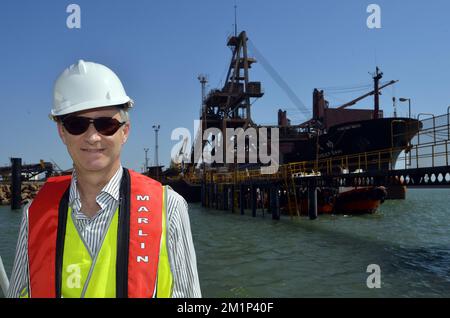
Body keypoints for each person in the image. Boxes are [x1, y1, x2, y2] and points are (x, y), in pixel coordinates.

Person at [7, 60, 201, 298]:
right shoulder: (34, 213)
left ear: (125, 131)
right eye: (77, 124)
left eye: (106, 124)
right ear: (62, 133)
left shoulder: (169, 207)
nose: (92, 137)